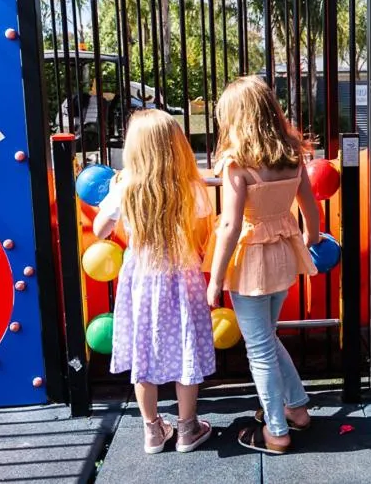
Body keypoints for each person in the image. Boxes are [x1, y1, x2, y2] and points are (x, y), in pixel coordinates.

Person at [203, 75, 321, 454]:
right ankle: (297, 409)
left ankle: (276, 431)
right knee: (268, 339)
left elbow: (230, 225)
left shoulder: (237, 164)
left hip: (251, 261)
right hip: (283, 254)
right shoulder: (291, 153)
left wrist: (215, 280)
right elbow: (309, 207)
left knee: (259, 350)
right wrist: (312, 238)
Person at [93, 109, 216, 455]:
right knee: (186, 349)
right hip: (183, 276)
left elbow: (101, 229)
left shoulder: (126, 188)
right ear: (176, 145)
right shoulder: (190, 187)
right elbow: (203, 231)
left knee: (143, 351)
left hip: (141, 279)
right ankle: (188, 428)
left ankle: (152, 431)